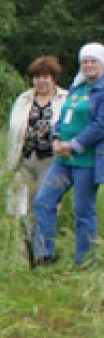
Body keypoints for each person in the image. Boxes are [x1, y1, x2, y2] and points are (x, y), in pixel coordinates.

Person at [32, 43, 104, 266]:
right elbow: (62, 119)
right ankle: (44, 255)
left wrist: (73, 144)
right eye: (85, 61)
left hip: (87, 160)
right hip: (63, 160)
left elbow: (100, 125)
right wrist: (55, 138)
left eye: (93, 61)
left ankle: (85, 260)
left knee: (83, 210)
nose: (88, 65)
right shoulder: (76, 89)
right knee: (43, 201)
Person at [6, 56, 66, 263]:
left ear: (54, 78)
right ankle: (23, 251)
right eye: (37, 77)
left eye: (46, 77)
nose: (41, 81)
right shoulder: (23, 100)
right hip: (24, 160)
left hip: (51, 161)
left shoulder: (65, 99)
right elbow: (14, 131)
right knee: (21, 207)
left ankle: (43, 252)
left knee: (45, 205)